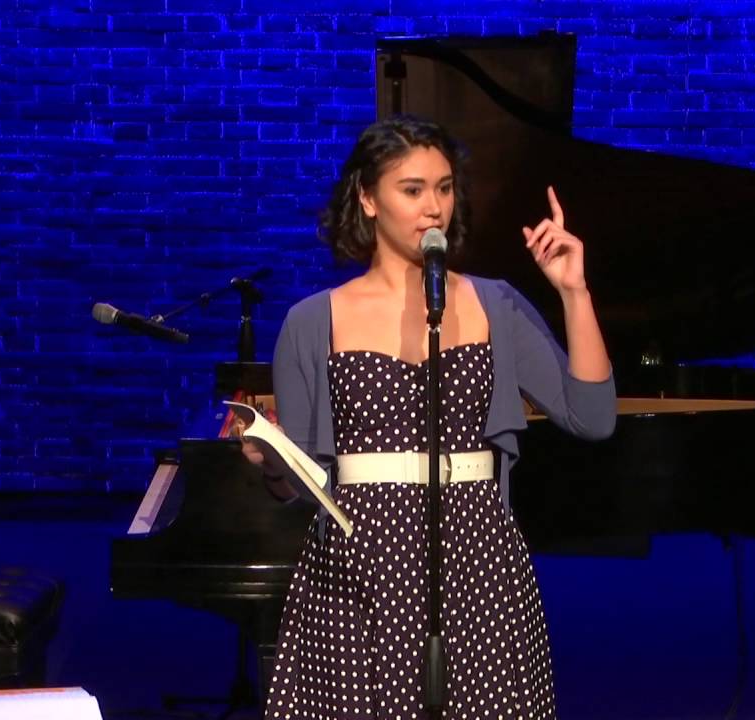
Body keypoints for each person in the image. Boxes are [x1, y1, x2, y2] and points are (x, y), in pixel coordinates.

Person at [243, 115, 616, 720]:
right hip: (359, 568)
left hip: (478, 560)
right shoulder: (311, 322)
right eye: (412, 189)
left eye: (443, 188)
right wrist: (270, 463)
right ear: (368, 198)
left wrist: (575, 293)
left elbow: (592, 417)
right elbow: (301, 486)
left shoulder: (495, 303)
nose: (433, 207)